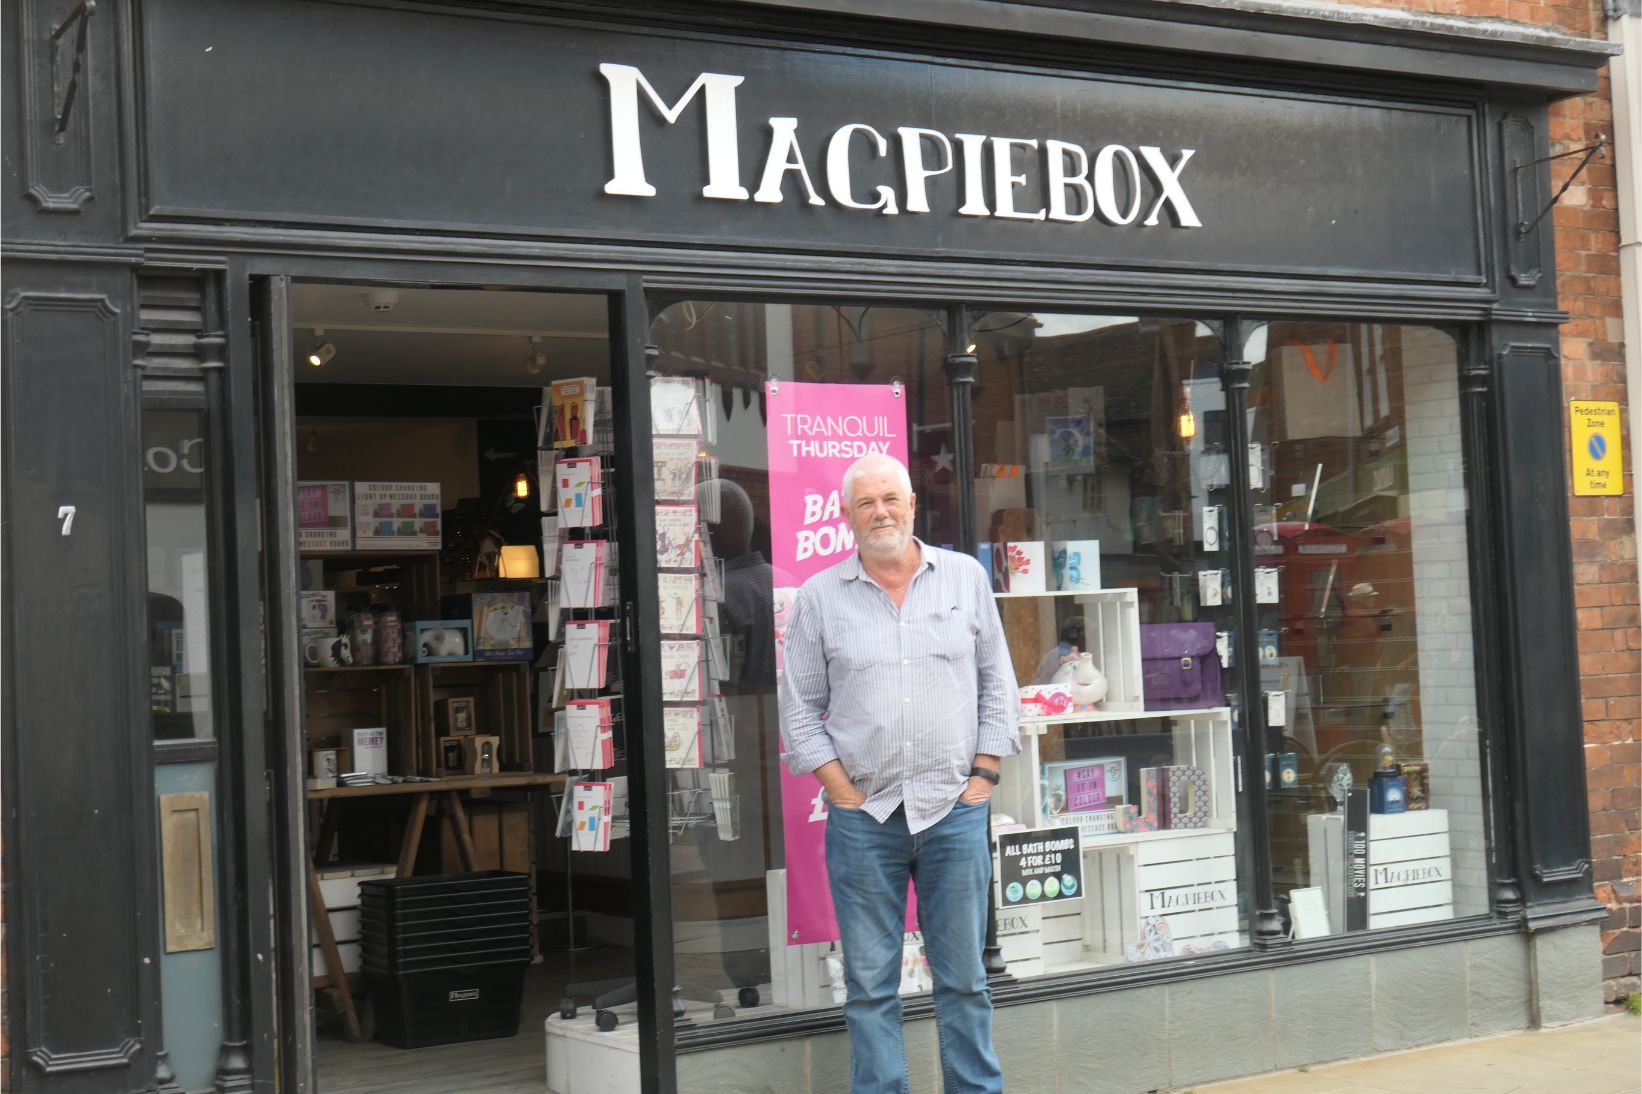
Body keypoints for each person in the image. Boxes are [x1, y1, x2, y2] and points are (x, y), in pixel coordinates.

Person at [779, 452, 1020, 1094]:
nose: (880, 512)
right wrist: (841, 792)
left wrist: (984, 777)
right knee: (869, 987)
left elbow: (998, 683)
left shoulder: (964, 579)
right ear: (846, 515)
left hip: (954, 812)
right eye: (866, 503)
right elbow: (798, 708)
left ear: (913, 504)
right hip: (866, 820)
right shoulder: (819, 598)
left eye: (890, 499)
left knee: (964, 980)